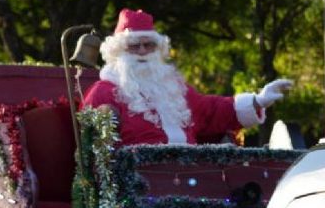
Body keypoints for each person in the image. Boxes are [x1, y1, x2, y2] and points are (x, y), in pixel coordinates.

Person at [82, 8, 292, 145]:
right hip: (136, 186)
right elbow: (93, 148)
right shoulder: (103, 92)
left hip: (190, 176)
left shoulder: (174, 88)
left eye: (149, 45)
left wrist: (257, 100)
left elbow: (210, 110)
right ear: (119, 52)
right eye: (135, 46)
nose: (143, 51)